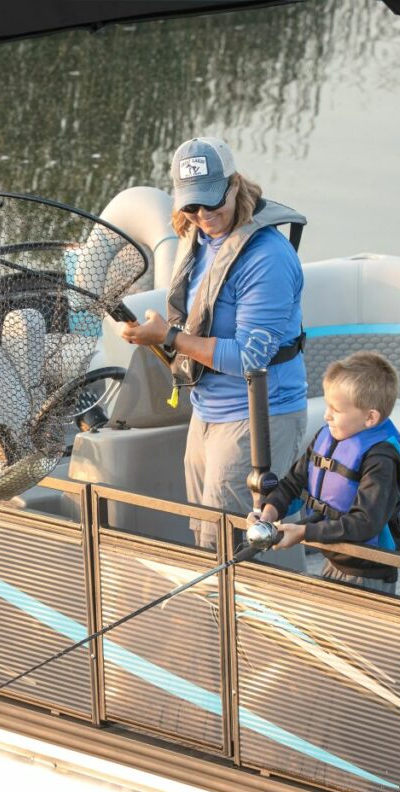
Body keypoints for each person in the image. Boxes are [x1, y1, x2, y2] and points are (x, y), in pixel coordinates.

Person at [120, 137, 307, 553]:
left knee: (235, 547)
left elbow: (249, 358)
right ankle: (215, 618)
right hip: (206, 413)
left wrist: (168, 337)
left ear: (235, 184)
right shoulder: (198, 238)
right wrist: (147, 333)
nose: (203, 215)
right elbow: (195, 318)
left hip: (258, 416)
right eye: (191, 206)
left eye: (211, 201)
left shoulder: (267, 257)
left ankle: (247, 618)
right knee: (208, 535)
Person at [250, 351, 400, 595]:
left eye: (335, 409)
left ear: (370, 418)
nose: (327, 415)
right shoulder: (327, 436)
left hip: (367, 572)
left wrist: (305, 532)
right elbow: (294, 483)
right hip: (334, 559)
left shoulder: (381, 459)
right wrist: (269, 512)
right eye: (327, 406)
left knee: (355, 634)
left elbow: (364, 523)